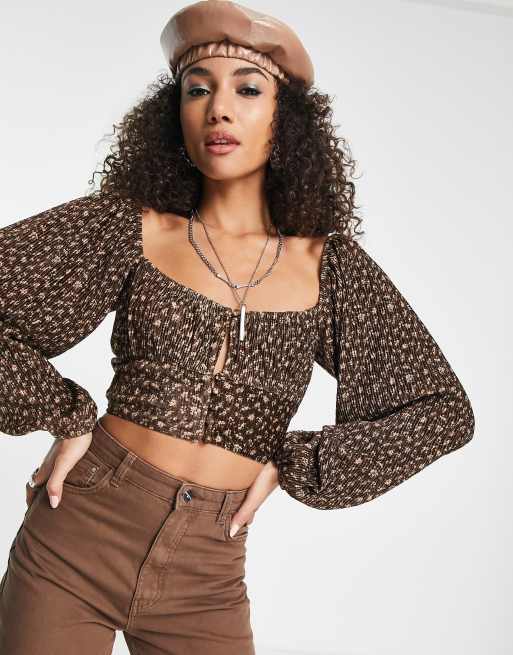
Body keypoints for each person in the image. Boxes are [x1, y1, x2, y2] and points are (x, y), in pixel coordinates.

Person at [0, 1, 475, 653]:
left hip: (207, 572)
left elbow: (441, 411)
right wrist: (64, 413)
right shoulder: (129, 227)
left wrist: (301, 462)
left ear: (287, 120)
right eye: (198, 90)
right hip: (78, 535)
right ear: (174, 115)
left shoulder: (328, 267)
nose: (219, 109)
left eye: (248, 90)